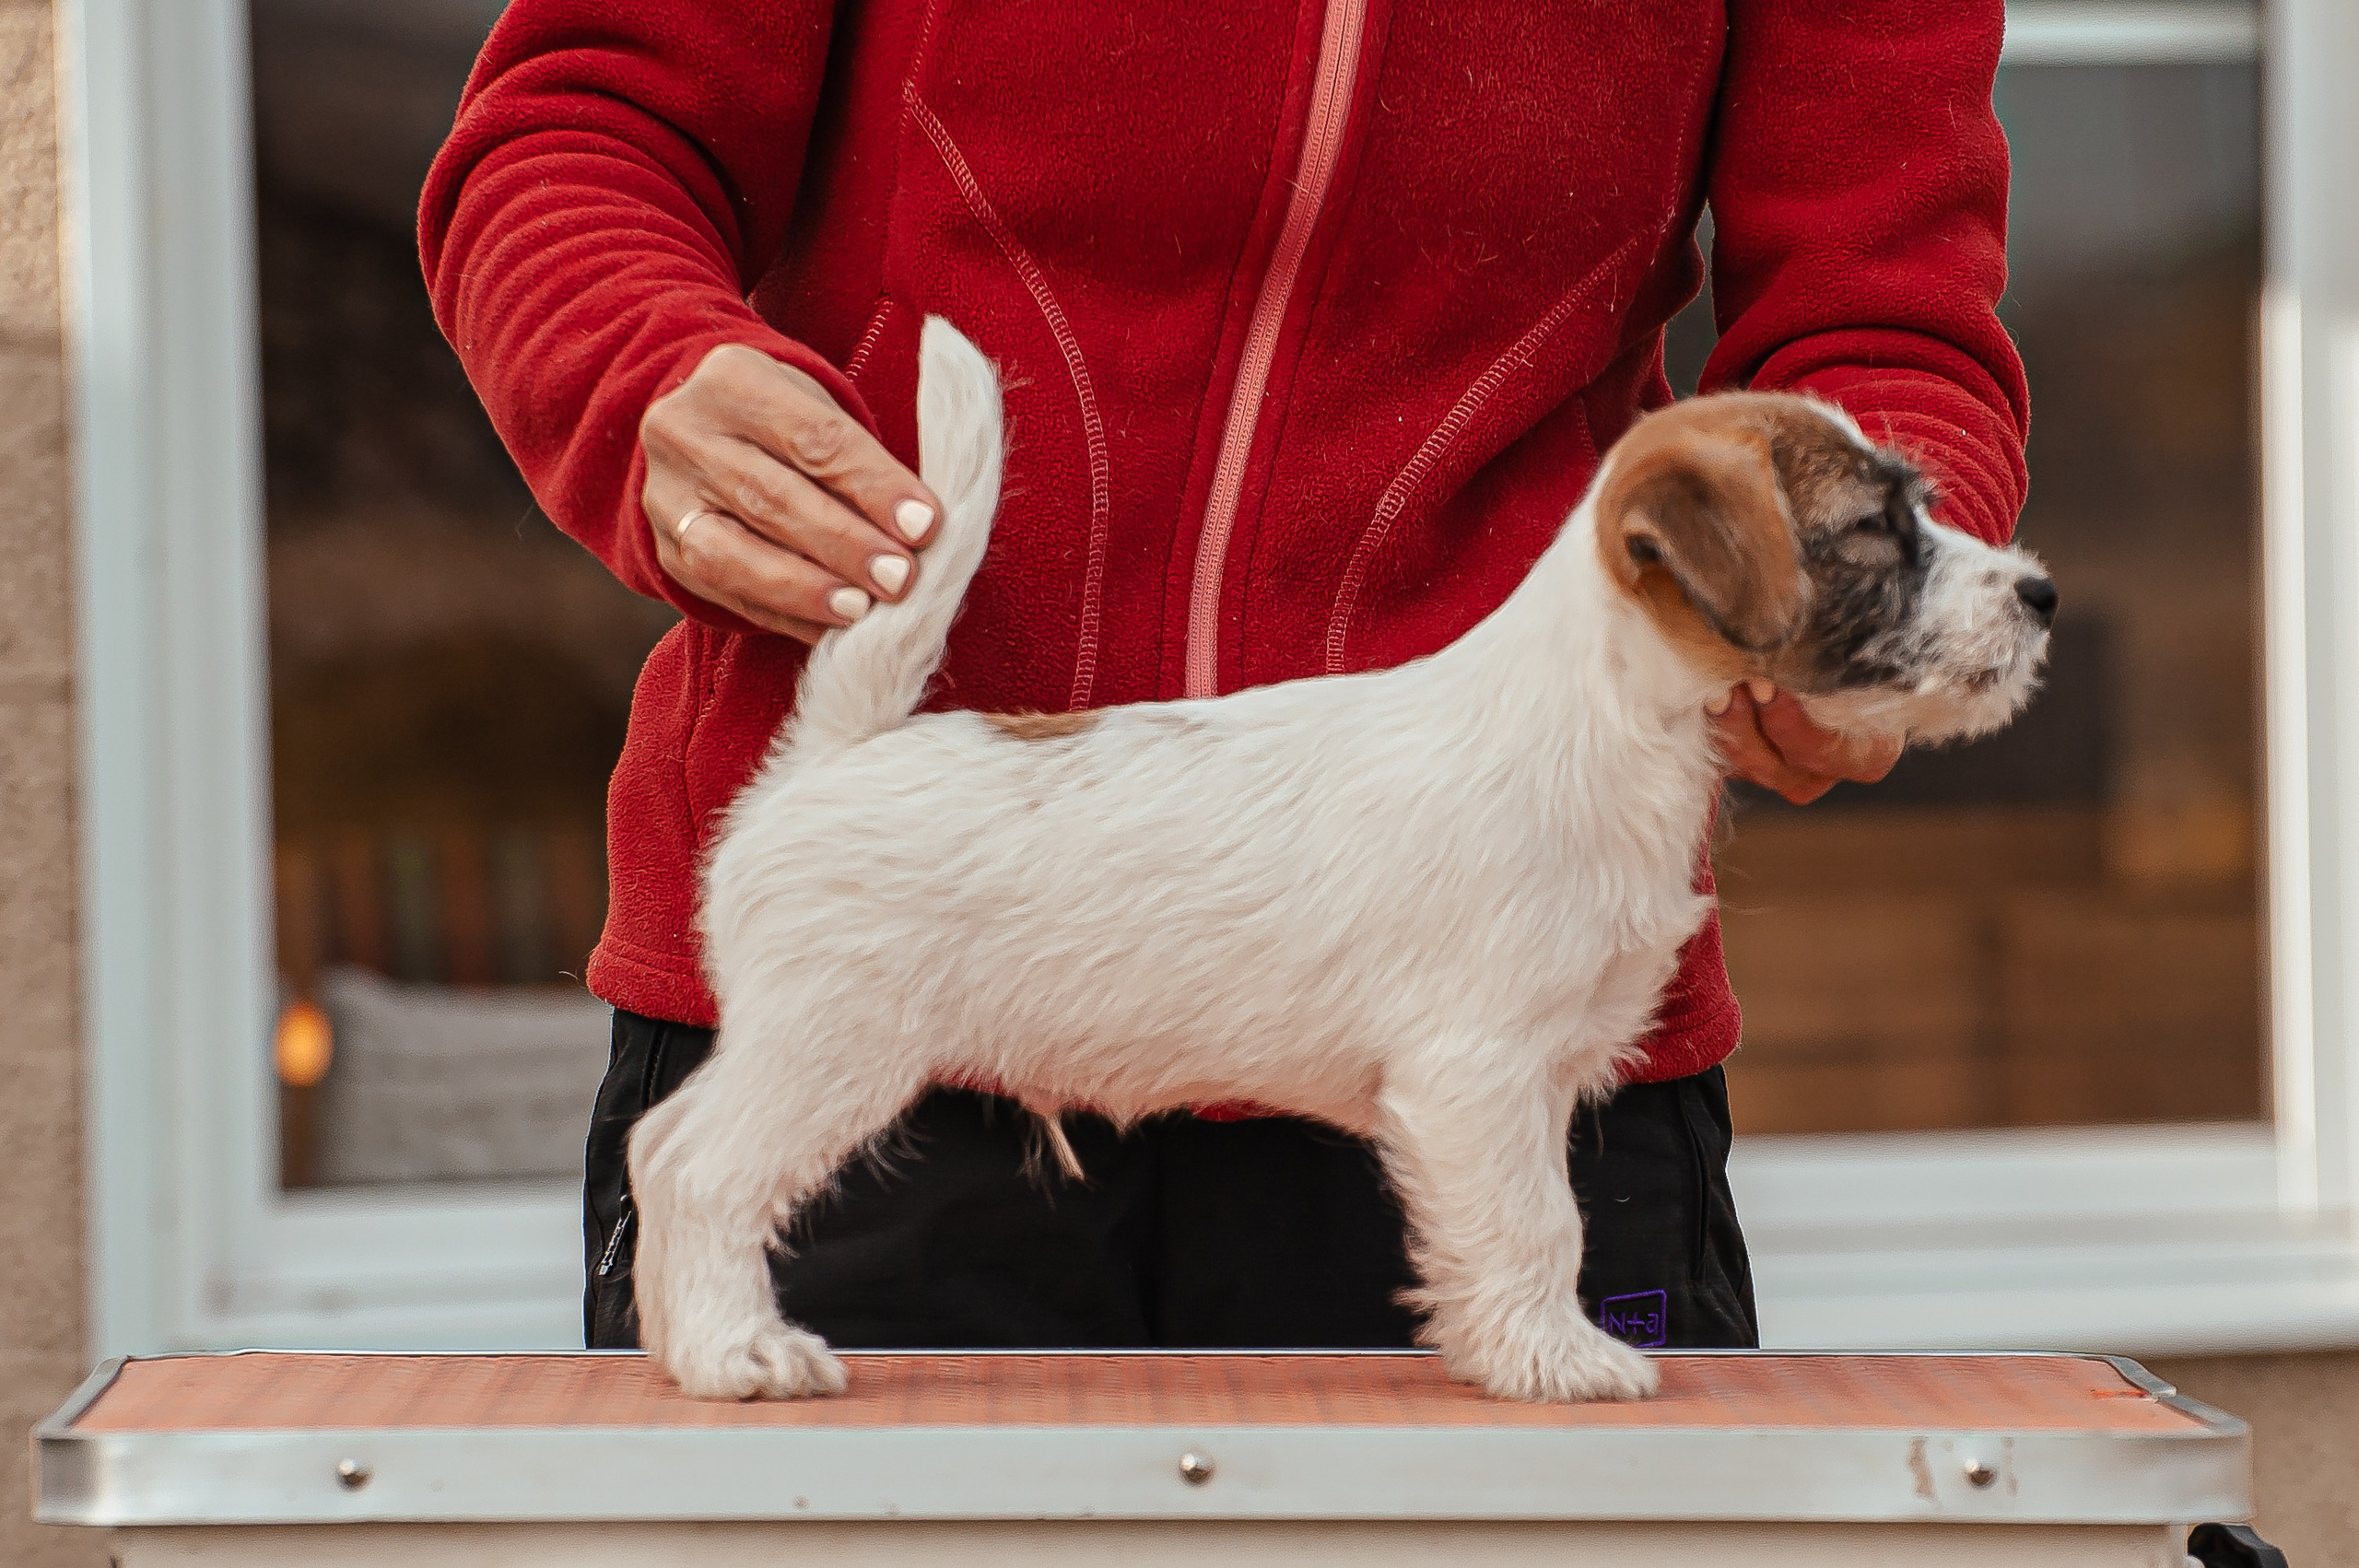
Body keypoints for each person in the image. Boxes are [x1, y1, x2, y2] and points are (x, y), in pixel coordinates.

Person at [420, 0, 2025, 1357]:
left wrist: (1865, 572)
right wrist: (642, 363)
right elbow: (579, 127)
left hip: (1509, 1030)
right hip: (933, 966)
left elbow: (1884, 301)